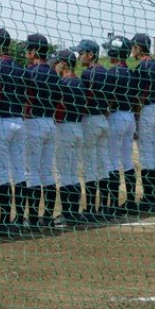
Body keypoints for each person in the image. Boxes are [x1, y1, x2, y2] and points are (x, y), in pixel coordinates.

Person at [0, 27, 27, 237]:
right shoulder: (20, 67)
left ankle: (5, 218)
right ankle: (20, 217)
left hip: (1, 121)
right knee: (19, 171)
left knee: (1, 173)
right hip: (19, 120)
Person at [23, 33, 61, 229]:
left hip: (34, 122)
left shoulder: (30, 72)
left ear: (34, 51)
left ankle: (32, 217)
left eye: (27, 49)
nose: (26, 52)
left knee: (31, 172)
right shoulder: (54, 73)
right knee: (47, 171)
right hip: (50, 122)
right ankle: (47, 216)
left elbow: (26, 98)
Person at [72, 38, 110, 219]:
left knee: (89, 165)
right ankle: (104, 207)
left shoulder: (88, 74)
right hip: (103, 119)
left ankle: (90, 209)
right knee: (102, 164)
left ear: (90, 54)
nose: (79, 56)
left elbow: (84, 99)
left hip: (90, 120)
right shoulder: (106, 72)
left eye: (81, 53)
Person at [104, 36, 138, 216]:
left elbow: (108, 99)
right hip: (130, 116)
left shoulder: (111, 73)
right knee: (127, 160)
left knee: (112, 161)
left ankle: (113, 204)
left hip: (116, 116)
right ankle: (131, 200)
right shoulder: (131, 73)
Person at [51, 49, 86, 226]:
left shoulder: (62, 83)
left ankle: (67, 213)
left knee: (63, 173)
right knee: (73, 172)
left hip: (64, 128)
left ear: (63, 64)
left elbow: (58, 108)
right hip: (78, 127)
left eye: (57, 63)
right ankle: (74, 211)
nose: (55, 66)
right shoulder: (80, 82)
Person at [131, 33, 155, 212]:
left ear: (138, 47)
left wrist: (136, 117)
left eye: (133, 47)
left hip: (147, 110)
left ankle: (148, 199)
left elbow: (140, 95)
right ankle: (153, 198)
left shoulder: (142, 66)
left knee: (145, 156)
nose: (132, 51)